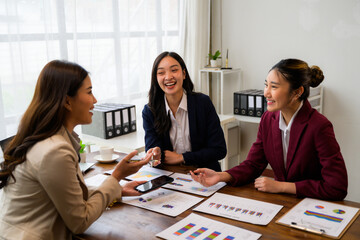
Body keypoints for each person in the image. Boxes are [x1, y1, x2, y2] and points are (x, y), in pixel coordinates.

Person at [0, 60, 152, 239]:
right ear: (67, 101)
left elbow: (68, 194)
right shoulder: (54, 151)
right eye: (89, 92)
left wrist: (117, 190)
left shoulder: (45, 137)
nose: (95, 100)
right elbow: (80, 221)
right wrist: (115, 177)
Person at [191, 58, 348, 200]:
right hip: (281, 203)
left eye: (274, 87)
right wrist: (221, 176)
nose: (266, 93)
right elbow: (253, 164)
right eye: (266, 85)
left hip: (310, 205)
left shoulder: (319, 126)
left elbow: (336, 187)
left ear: (297, 92)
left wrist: (282, 186)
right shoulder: (268, 119)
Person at [142, 51, 227, 171]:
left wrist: (182, 157)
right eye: (161, 73)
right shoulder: (150, 111)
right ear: (156, 79)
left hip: (205, 174)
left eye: (174, 70)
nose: (168, 77)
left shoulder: (203, 103)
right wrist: (155, 154)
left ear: (184, 74)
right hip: (169, 176)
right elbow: (152, 149)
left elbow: (219, 150)